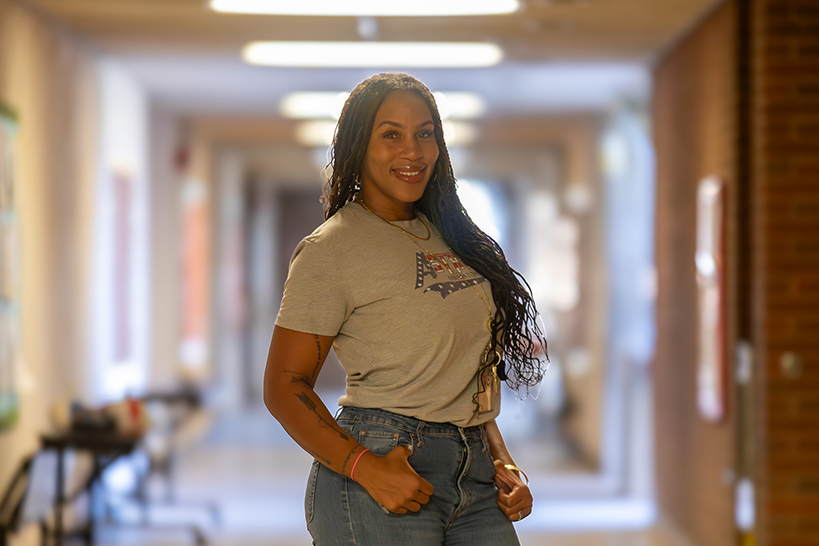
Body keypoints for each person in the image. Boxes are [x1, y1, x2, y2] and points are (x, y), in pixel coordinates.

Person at [263, 72, 547, 545]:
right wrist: (365, 467)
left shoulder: (453, 237)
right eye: (391, 135)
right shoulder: (332, 249)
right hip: (384, 460)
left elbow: (459, 373)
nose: (413, 151)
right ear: (359, 145)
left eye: (424, 134)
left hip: (473, 473)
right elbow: (283, 386)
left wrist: (500, 458)